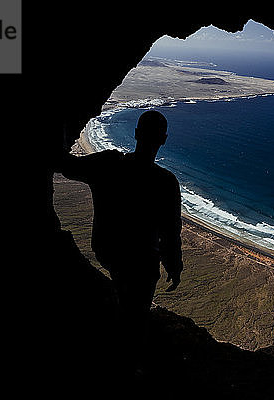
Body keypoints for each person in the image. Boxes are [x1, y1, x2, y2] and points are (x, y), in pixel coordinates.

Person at [58, 110, 183, 365]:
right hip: (141, 263)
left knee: (123, 305)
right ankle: (127, 362)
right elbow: (171, 232)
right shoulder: (166, 182)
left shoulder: (108, 164)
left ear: (136, 134)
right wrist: (173, 265)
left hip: (108, 250)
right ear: (164, 139)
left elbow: (66, 166)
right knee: (134, 319)